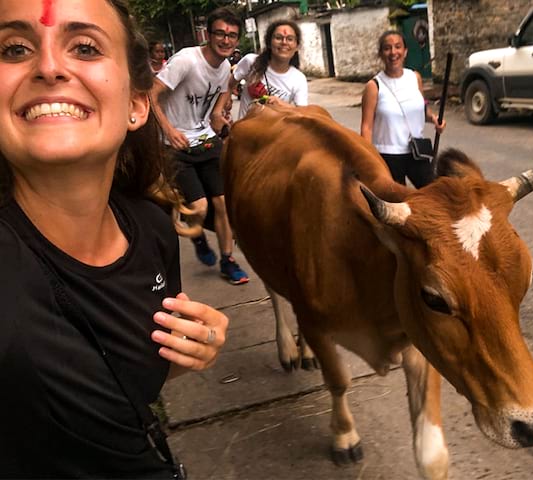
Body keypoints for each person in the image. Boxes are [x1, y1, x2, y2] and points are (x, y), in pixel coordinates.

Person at [0, 0, 228, 477]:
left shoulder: (150, 229)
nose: (47, 66)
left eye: (84, 47)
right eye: (14, 48)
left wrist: (185, 351)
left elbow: (123, 378)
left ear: (135, 104)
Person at [150, 7, 249, 285]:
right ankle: (196, 235)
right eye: (220, 33)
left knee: (224, 203)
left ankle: (228, 261)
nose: (226, 40)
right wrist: (168, 130)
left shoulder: (223, 71)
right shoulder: (187, 60)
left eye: (232, 35)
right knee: (201, 207)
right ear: (208, 33)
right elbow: (151, 94)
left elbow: (217, 107)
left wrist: (222, 119)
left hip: (204, 140)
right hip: (174, 144)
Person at [360, 30, 446, 188]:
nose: (393, 52)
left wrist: (434, 119)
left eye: (398, 47)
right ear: (381, 54)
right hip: (387, 156)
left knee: (434, 196)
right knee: (397, 207)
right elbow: (366, 127)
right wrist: (368, 160)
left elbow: (422, 109)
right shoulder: (373, 86)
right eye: (387, 48)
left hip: (417, 151)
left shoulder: (415, 77)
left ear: (405, 51)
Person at [226, 19, 308, 120]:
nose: (284, 42)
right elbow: (228, 85)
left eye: (290, 39)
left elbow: (302, 114)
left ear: (297, 46)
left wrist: (282, 104)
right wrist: (222, 108)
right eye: (278, 38)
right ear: (269, 43)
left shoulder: (299, 79)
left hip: (276, 135)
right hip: (244, 133)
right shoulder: (250, 62)